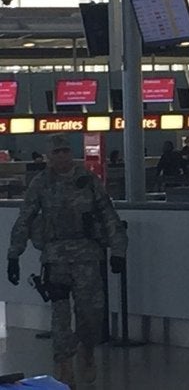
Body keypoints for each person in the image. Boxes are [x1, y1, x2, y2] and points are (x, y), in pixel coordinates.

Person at [6, 134, 128, 388]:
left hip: (87, 256)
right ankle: (63, 366)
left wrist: (118, 250)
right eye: (55, 152)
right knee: (60, 317)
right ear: (48, 156)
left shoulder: (87, 180)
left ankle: (86, 349)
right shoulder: (41, 183)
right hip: (55, 258)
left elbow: (107, 214)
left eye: (64, 151)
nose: (61, 156)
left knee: (91, 312)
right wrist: (13, 255)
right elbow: (25, 218)